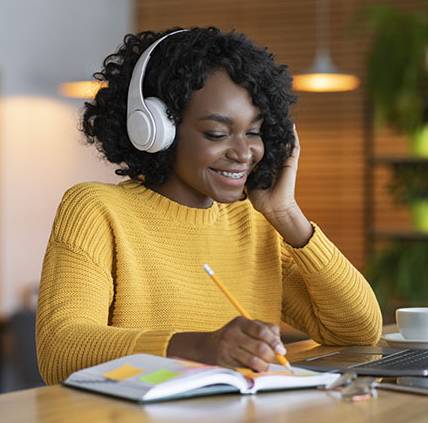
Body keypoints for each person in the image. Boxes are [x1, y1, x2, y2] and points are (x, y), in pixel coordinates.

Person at [36, 26, 382, 385]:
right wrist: (200, 348)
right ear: (157, 129)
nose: (244, 152)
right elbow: (60, 350)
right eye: (217, 134)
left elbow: (358, 330)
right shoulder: (97, 209)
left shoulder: (256, 222)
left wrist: (287, 214)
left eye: (254, 132)